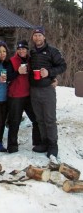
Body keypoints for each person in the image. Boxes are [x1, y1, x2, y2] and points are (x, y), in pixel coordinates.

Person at [29, 27, 67, 159]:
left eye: (40, 35)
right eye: (35, 35)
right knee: (40, 119)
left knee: (50, 119)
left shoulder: (52, 51)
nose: (37, 38)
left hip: (47, 90)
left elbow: (63, 66)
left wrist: (50, 73)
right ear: (33, 37)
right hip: (34, 90)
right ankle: (44, 143)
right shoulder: (31, 52)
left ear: (44, 37)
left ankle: (53, 145)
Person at [6, 40, 41, 153]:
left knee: (36, 119)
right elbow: (7, 77)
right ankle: (12, 146)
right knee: (14, 122)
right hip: (15, 96)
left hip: (28, 95)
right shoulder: (11, 61)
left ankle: (37, 143)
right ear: (17, 50)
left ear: (27, 50)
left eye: (23, 49)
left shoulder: (31, 60)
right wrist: (17, 72)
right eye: (19, 49)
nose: (21, 51)